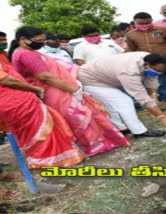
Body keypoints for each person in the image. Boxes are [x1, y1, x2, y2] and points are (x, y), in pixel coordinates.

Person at [9, 26, 130, 156]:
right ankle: (93, 146)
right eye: (38, 40)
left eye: (43, 41)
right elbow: (45, 76)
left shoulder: (21, 52)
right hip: (54, 91)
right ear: (23, 39)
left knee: (76, 117)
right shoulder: (26, 54)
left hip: (53, 89)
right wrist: (73, 90)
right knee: (77, 117)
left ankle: (92, 146)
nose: (41, 44)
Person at [0, 59, 84, 168]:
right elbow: (9, 81)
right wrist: (35, 89)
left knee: (28, 131)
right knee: (41, 128)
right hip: (18, 101)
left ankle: (38, 159)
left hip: (8, 104)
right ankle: (55, 159)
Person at [78, 52, 166, 137]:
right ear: (146, 64)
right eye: (158, 70)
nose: (158, 73)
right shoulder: (129, 71)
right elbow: (142, 98)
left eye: (162, 72)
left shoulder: (151, 59)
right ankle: (139, 131)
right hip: (91, 79)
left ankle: (119, 128)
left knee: (110, 106)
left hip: (107, 76)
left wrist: (154, 94)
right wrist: (162, 117)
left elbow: (151, 78)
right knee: (124, 102)